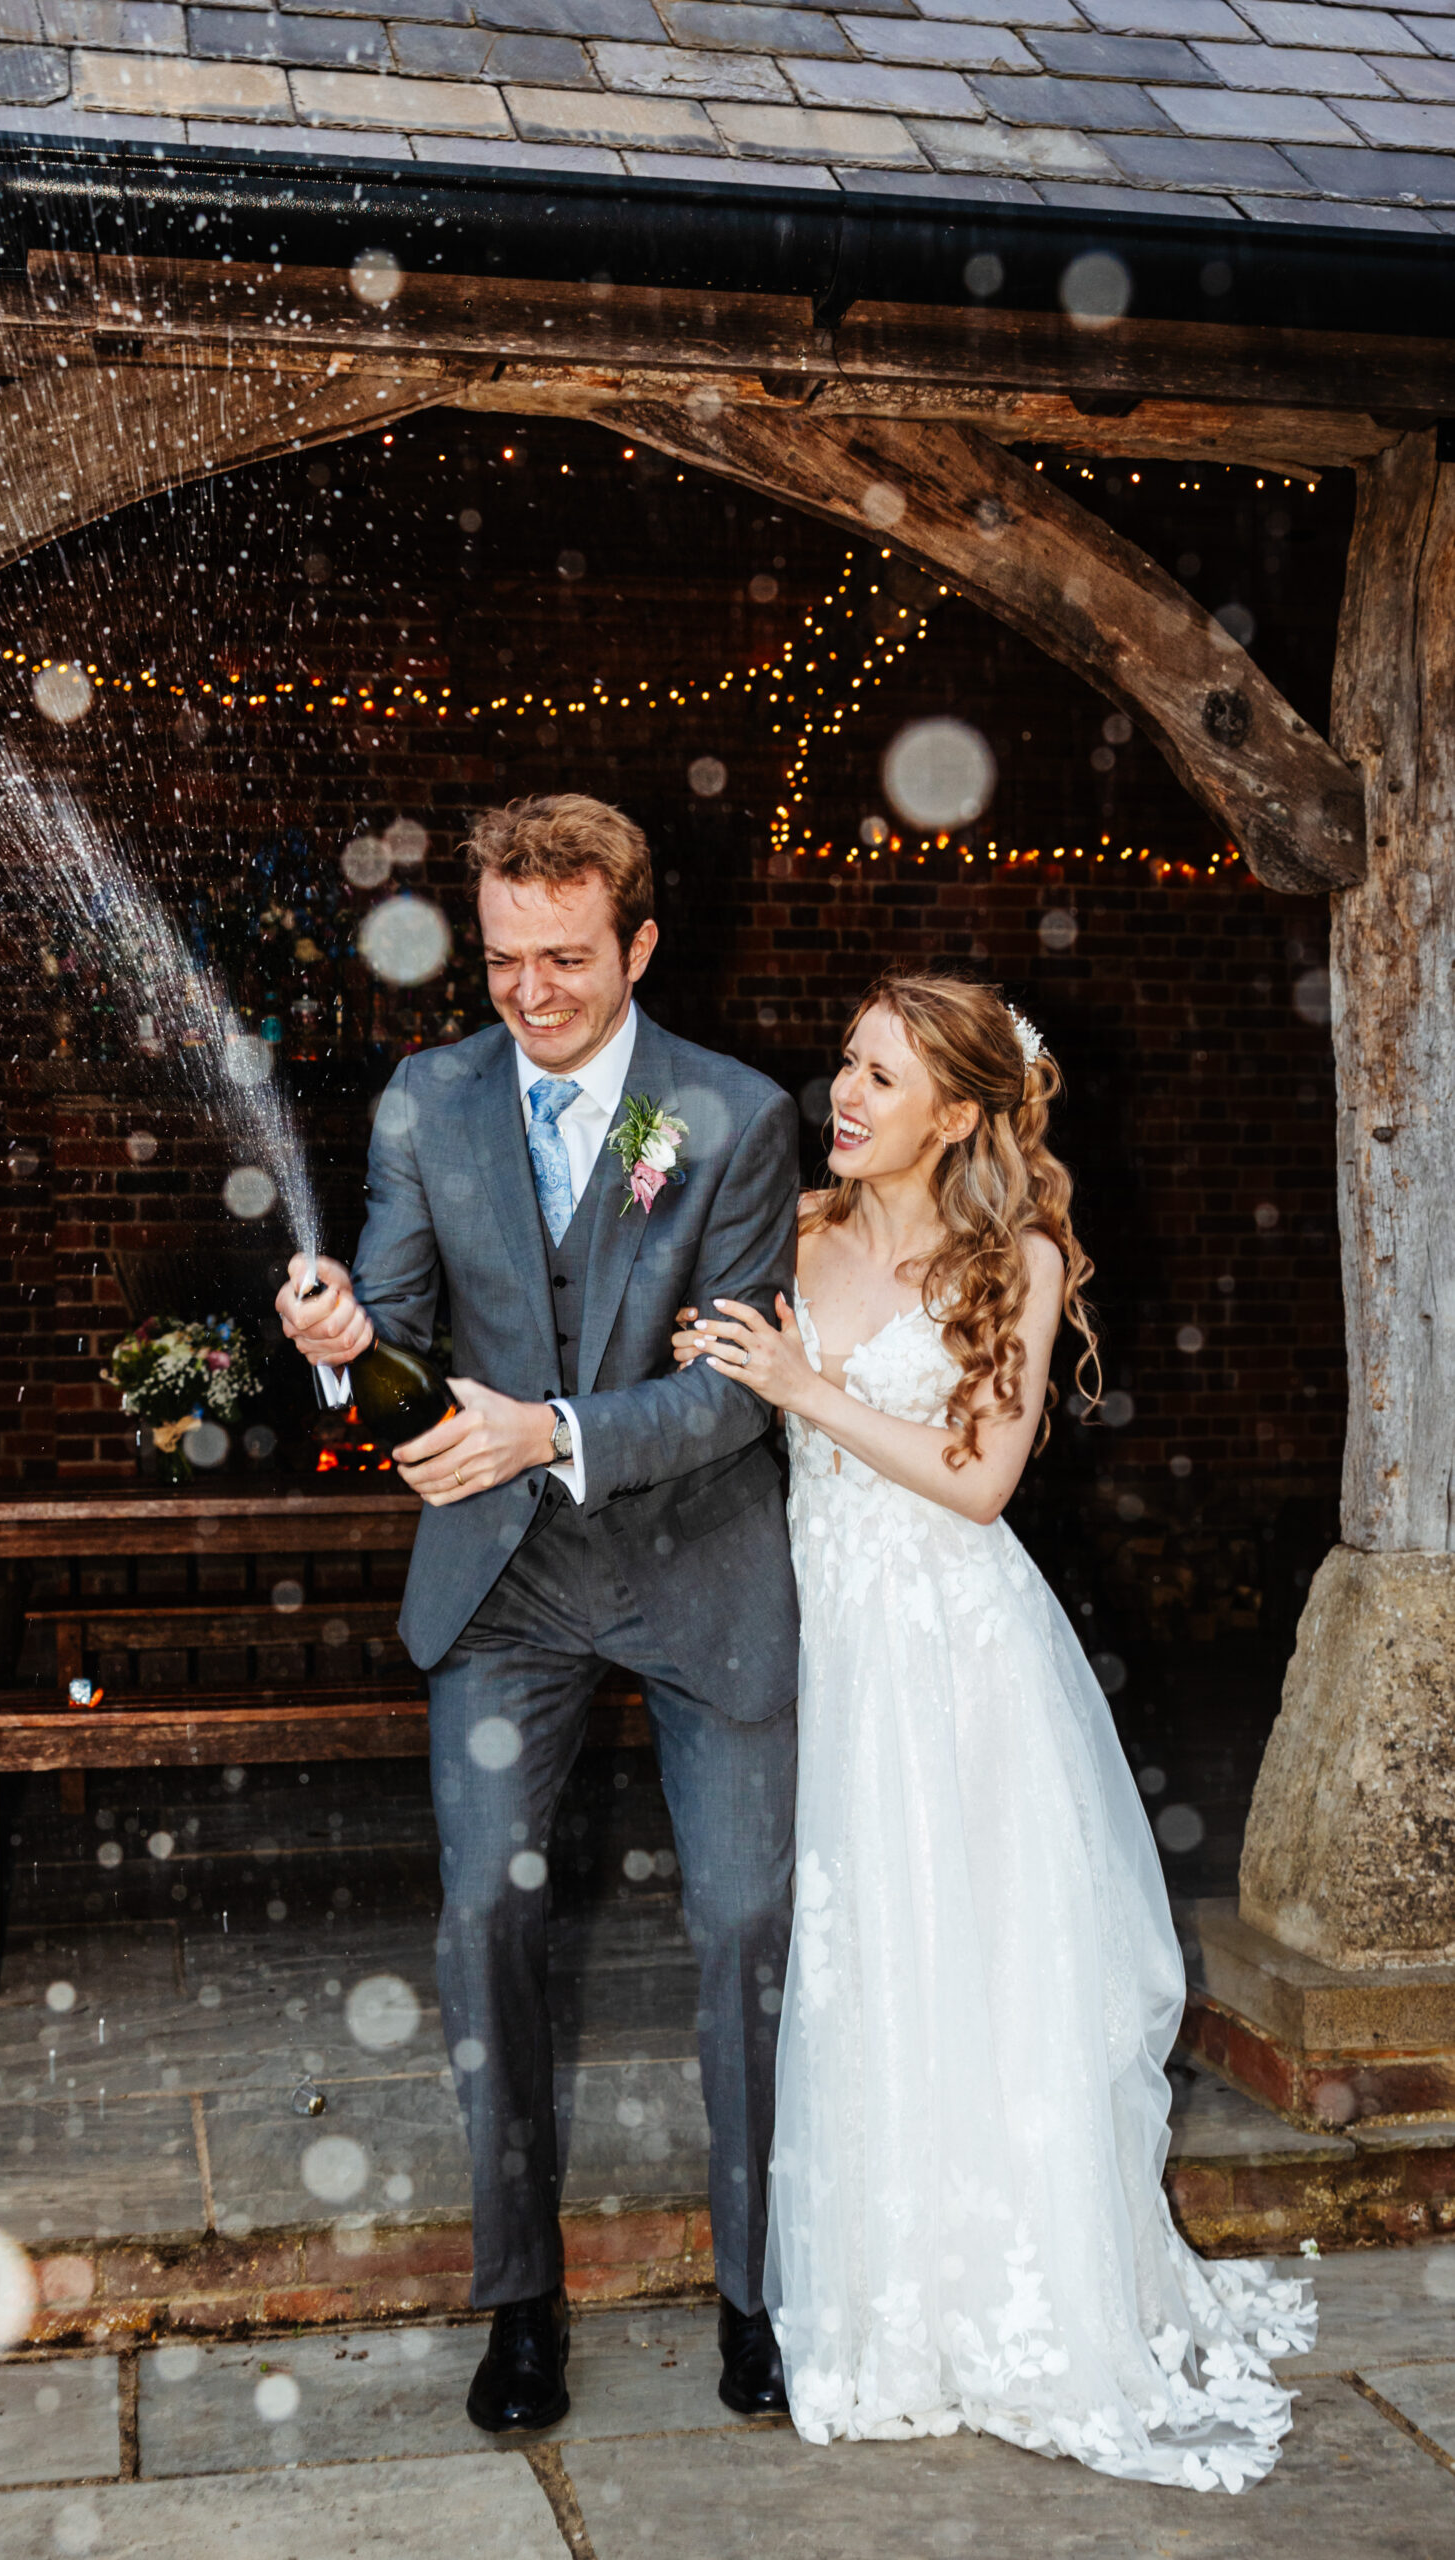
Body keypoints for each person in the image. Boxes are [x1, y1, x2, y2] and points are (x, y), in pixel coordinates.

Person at [672, 969, 1315, 2492]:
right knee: (863, 1962)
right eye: (845, 1062)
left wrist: (800, 1391)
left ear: (956, 1110)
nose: (841, 1092)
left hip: (951, 1653)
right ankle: (887, 2304)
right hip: (822, 1645)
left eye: (882, 1078)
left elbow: (975, 1481)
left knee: (977, 1964)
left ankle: (1016, 2300)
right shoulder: (801, 1235)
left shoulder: (1008, 1259)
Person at [276, 794, 801, 2433]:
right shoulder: (427, 1104)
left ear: (639, 943)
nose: (530, 992)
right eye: (504, 959)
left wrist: (555, 1431)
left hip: (699, 1567)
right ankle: (520, 2305)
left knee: (743, 1929)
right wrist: (342, 1340)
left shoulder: (729, 1113)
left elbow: (731, 1397)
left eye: (566, 959)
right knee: (485, 1924)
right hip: (504, 1587)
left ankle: (761, 2292)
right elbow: (401, 1335)